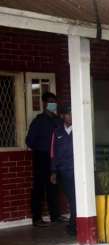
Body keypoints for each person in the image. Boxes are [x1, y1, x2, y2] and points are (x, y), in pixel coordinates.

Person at [26, 91, 62, 227]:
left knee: (54, 186)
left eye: (54, 102)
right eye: (50, 102)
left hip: (54, 157)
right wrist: (41, 147)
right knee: (39, 188)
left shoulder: (57, 120)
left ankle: (55, 216)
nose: (53, 104)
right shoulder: (39, 121)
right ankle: (37, 218)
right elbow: (29, 141)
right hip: (41, 156)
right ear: (44, 104)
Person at [50, 104, 75, 236]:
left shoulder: (80, 130)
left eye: (72, 113)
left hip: (78, 171)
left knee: (74, 198)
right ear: (62, 116)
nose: (70, 116)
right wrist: (53, 171)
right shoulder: (57, 132)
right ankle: (73, 225)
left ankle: (73, 226)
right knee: (72, 198)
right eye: (68, 114)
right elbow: (53, 153)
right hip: (64, 172)